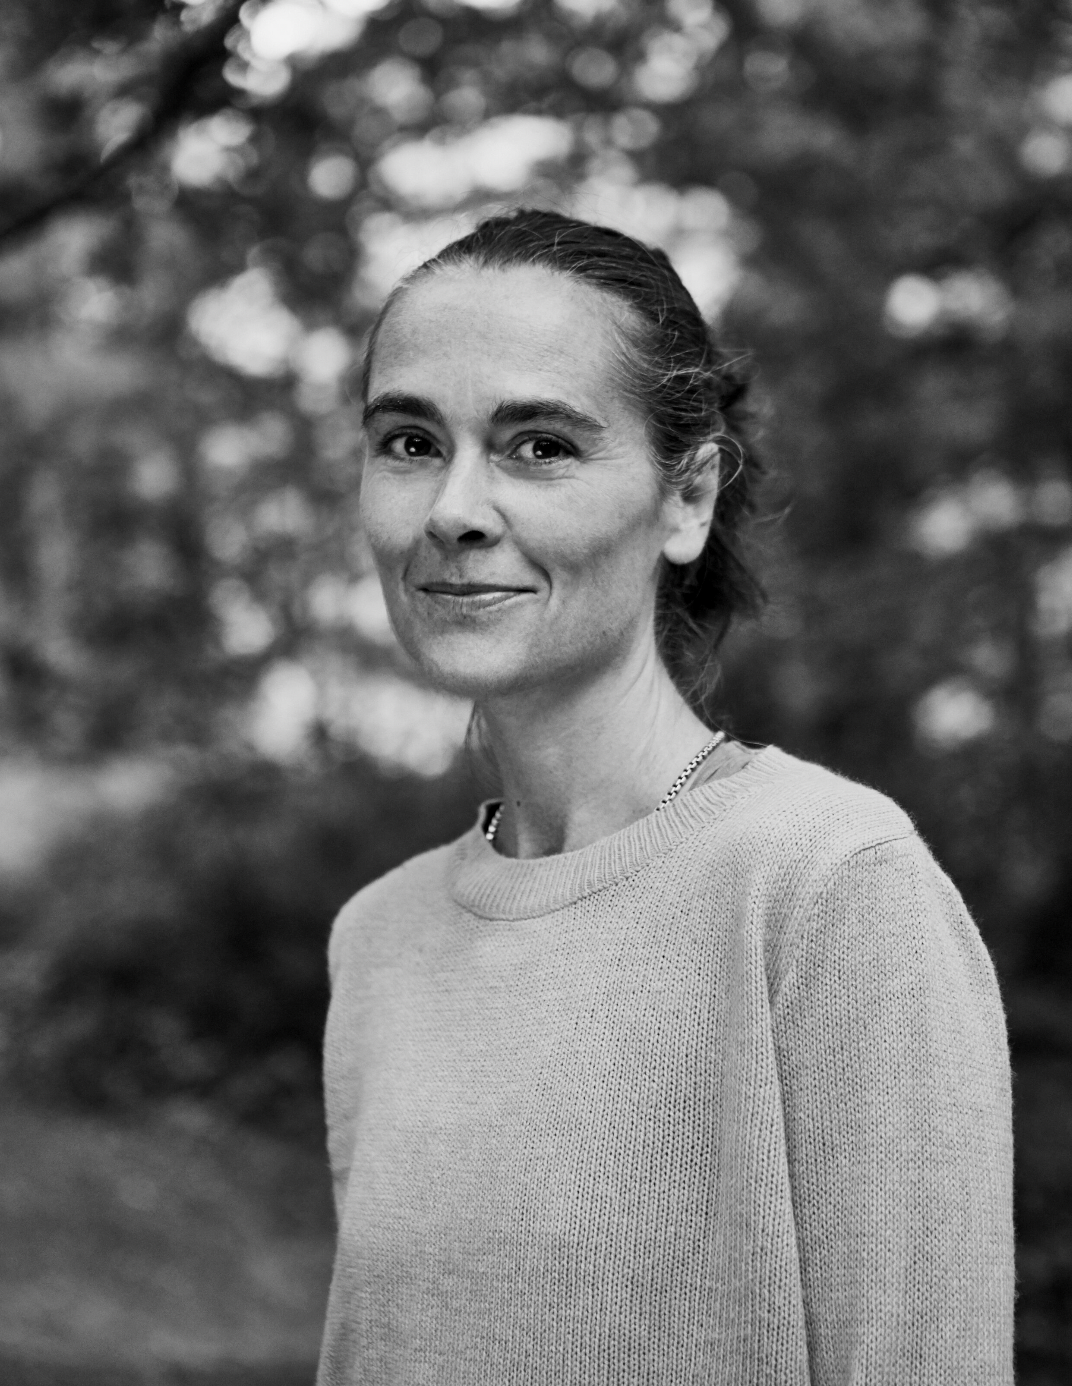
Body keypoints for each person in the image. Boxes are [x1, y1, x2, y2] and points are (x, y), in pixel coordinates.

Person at [317, 209, 1013, 1386]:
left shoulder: (829, 885)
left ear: (685, 498)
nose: (453, 510)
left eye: (539, 445)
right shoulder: (377, 938)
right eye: (409, 441)